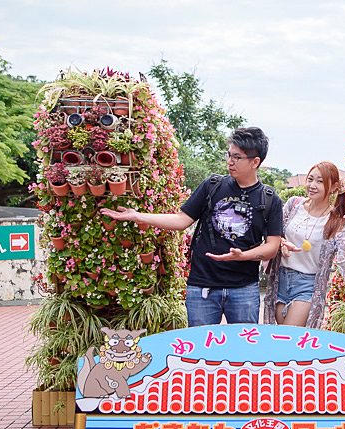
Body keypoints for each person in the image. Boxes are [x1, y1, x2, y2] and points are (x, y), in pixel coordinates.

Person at [101, 127, 283, 326]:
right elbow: (181, 220)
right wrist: (137, 216)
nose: (230, 161)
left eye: (237, 157)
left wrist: (243, 256)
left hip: (244, 289)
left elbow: (272, 247)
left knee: (242, 351)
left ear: (255, 162)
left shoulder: (270, 199)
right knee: (200, 353)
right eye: (229, 155)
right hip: (202, 286)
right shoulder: (212, 185)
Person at [263, 161, 345, 329]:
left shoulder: (335, 220)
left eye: (320, 181)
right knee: (280, 337)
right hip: (280, 278)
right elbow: (275, 234)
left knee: (288, 335)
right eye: (310, 179)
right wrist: (282, 244)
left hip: (307, 284)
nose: (312, 185)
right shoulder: (293, 205)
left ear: (333, 186)